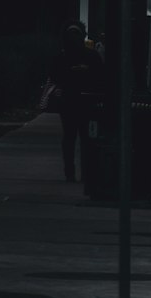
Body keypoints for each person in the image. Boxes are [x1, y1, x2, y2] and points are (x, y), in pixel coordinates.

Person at [49, 20, 104, 182]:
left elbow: (54, 76)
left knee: (71, 137)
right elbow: (101, 75)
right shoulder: (90, 55)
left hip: (71, 100)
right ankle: (85, 172)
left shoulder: (62, 56)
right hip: (83, 100)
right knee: (85, 138)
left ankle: (72, 171)